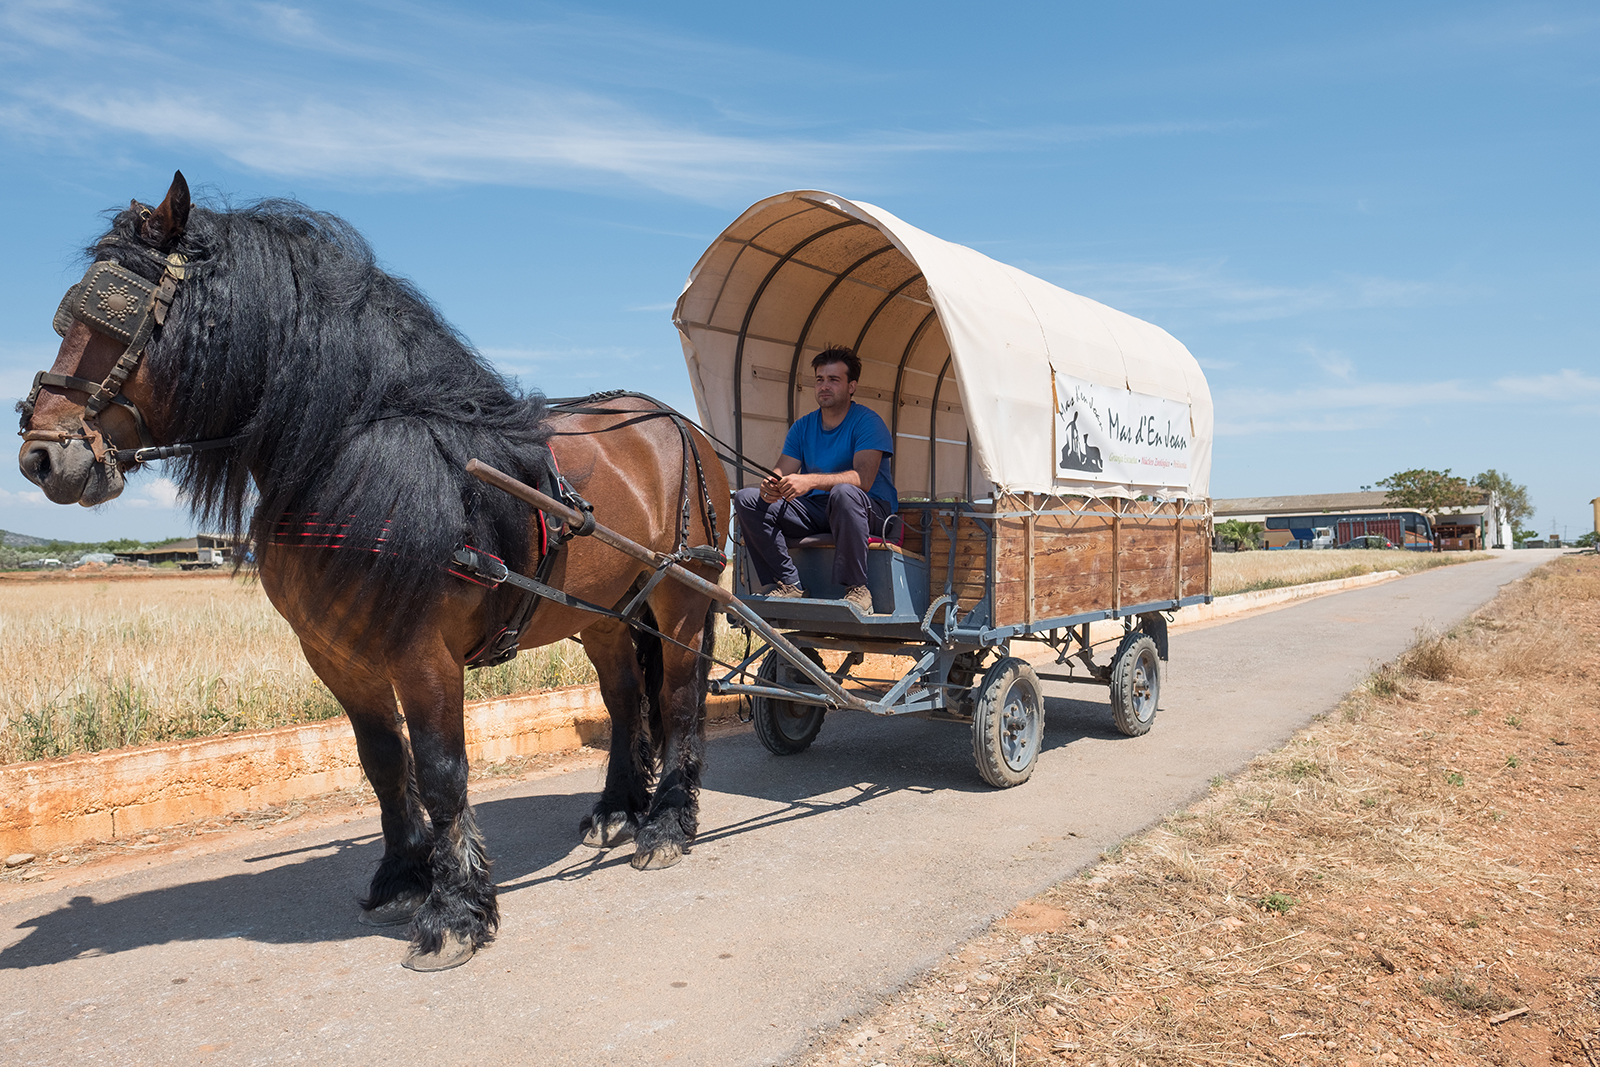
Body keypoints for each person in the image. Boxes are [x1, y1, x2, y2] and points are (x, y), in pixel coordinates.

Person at [733, 345, 896, 614]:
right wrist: (770, 485)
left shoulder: (868, 422)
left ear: (851, 386)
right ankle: (788, 583)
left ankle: (857, 588)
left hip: (869, 510)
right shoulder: (803, 426)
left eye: (834, 380)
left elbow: (862, 480)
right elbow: (781, 470)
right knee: (747, 499)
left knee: (844, 493)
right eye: (820, 379)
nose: (824, 386)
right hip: (818, 510)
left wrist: (808, 481)